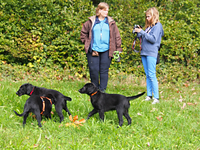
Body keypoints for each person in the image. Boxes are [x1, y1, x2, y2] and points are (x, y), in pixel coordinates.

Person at [80, 2, 122, 92]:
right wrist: (87, 43)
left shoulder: (111, 23)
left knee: (104, 71)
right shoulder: (91, 21)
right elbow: (83, 34)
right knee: (93, 70)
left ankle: (102, 90)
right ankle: (94, 90)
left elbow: (117, 36)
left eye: (107, 10)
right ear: (99, 10)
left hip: (107, 50)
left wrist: (118, 49)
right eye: (105, 10)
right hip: (94, 50)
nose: (107, 12)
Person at [134, 7, 164, 104]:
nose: (147, 18)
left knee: (152, 74)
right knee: (147, 75)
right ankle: (149, 95)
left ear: (154, 16)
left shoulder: (157, 26)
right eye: (146, 16)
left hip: (151, 52)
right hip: (144, 52)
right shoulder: (148, 27)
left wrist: (142, 32)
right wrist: (138, 32)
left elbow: (153, 39)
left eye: (149, 16)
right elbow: (144, 37)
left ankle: (156, 98)